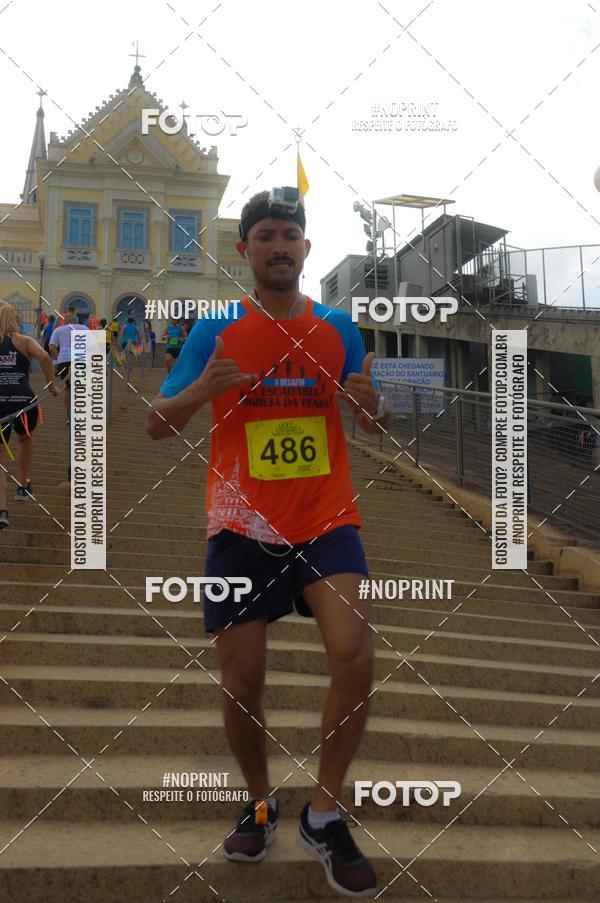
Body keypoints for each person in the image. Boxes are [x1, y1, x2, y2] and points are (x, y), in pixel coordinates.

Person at [146, 189, 390, 897]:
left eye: (291, 235)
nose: (280, 246)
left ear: (306, 249)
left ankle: (323, 810)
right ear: (244, 249)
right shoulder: (214, 330)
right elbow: (158, 423)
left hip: (325, 517)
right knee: (241, 678)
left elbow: (367, 415)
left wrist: (373, 411)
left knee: (355, 651)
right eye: (265, 236)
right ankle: (259, 799)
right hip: (241, 524)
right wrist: (200, 392)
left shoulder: (341, 328)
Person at [0, 301, 59, 528]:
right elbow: (44, 356)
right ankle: (23, 486)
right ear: (16, 319)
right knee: (25, 440)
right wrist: (51, 385)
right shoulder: (24, 340)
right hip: (24, 402)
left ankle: (2, 510)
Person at [48, 313, 88, 424]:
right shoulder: (84, 328)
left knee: (68, 388)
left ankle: (69, 416)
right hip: (81, 359)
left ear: (65, 322)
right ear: (77, 322)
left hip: (64, 360)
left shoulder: (58, 330)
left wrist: (57, 359)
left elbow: (51, 347)